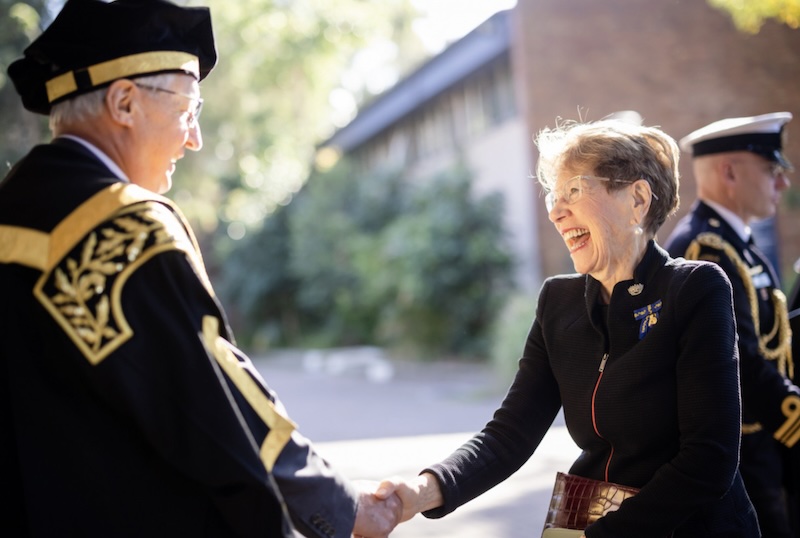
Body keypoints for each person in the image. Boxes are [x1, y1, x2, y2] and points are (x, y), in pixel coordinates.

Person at [0, 1, 400, 536]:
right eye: (189, 109)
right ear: (124, 102)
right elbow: (220, 409)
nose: (195, 138)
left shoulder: (15, 214)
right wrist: (344, 511)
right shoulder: (124, 230)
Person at [372, 118, 761, 537]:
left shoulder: (696, 288)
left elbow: (709, 460)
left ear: (637, 199)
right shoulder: (558, 302)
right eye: (553, 197)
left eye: (573, 191)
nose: (557, 212)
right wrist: (416, 494)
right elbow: (509, 435)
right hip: (590, 520)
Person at [664, 112, 800, 537]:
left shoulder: (736, 242)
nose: (783, 183)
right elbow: (741, 361)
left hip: (763, 446)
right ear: (729, 172)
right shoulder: (706, 248)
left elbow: (772, 336)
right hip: (741, 454)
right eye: (771, 170)